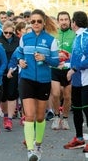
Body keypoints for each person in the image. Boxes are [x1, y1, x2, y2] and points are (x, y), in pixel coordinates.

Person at [17, 9, 59, 161]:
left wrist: (44, 58)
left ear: (44, 23)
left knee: (40, 117)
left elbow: (56, 61)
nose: (35, 24)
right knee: (29, 115)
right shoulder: (25, 38)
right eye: (32, 21)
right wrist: (19, 61)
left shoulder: (50, 40)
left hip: (43, 81)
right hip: (26, 79)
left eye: (39, 21)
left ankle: (38, 145)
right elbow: (18, 54)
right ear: (30, 22)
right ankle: (30, 150)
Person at [63, 11, 88, 152]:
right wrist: (66, 64)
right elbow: (77, 58)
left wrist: (73, 69)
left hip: (86, 80)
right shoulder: (77, 37)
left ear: (74, 22)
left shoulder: (85, 36)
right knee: (77, 109)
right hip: (78, 80)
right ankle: (79, 138)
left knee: (86, 109)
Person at [50, 11, 75, 130]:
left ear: (69, 21)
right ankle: (56, 117)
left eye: (66, 19)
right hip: (55, 68)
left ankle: (64, 118)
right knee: (55, 94)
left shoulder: (74, 34)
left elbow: (77, 53)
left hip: (68, 69)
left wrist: (69, 55)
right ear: (58, 21)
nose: (64, 22)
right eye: (61, 19)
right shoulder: (53, 34)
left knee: (67, 96)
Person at [0, 21, 20, 131]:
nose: (8, 35)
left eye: (10, 33)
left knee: (12, 94)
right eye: (6, 32)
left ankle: (9, 119)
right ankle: (5, 115)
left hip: (14, 70)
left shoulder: (18, 41)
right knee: (3, 96)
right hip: (2, 70)